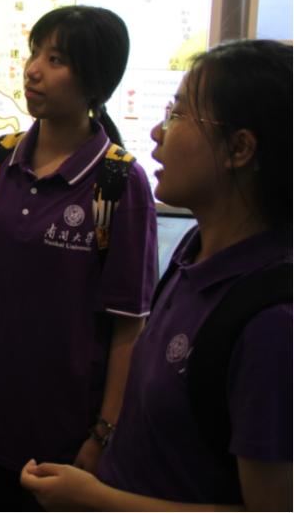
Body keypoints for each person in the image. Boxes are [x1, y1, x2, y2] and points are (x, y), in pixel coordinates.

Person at [20, 39, 292, 510]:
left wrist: (99, 500)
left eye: (178, 115)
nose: (156, 131)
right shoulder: (194, 251)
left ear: (240, 148)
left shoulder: (272, 323)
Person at [0, 5, 158, 509]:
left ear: (95, 82)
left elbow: (128, 326)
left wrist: (102, 433)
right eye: (34, 53)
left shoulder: (117, 181)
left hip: (64, 429)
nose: (33, 70)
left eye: (56, 59)